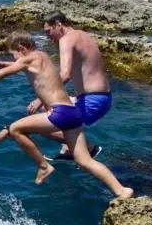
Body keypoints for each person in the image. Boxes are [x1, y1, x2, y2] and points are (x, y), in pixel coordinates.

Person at [0, 31, 133, 199]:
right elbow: (26, 67)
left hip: (59, 113)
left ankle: (43, 166)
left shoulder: (29, 59)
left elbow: (0, 75)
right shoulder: (43, 56)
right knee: (84, 160)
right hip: (73, 112)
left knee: (15, 129)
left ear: (22, 49)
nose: (14, 59)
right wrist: (9, 64)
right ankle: (122, 190)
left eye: (14, 55)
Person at [27, 12, 111, 161]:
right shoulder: (84, 36)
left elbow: (65, 74)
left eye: (48, 32)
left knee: (42, 126)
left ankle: (88, 148)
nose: (48, 37)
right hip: (102, 97)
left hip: (91, 101)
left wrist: (39, 98)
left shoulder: (66, 40)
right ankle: (68, 149)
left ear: (58, 25)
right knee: (51, 106)